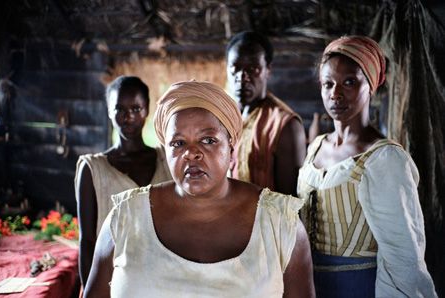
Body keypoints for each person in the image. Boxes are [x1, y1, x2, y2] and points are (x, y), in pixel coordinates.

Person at [84, 81, 315, 297]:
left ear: (231, 147)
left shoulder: (280, 224)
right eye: (178, 143)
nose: (191, 153)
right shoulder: (124, 217)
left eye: (208, 140)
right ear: (166, 151)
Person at [297, 36, 437, 297]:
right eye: (328, 84)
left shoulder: (384, 159)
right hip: (310, 286)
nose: (335, 93)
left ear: (370, 85)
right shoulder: (315, 146)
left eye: (349, 82)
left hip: (360, 287)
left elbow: (403, 254)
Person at [74, 76, 171, 289]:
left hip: (163, 279)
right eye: (119, 109)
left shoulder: (167, 162)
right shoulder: (93, 169)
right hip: (113, 282)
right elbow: (87, 240)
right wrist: (90, 291)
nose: (128, 117)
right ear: (109, 111)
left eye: (136, 109)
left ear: (147, 110)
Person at [226, 31, 306, 196]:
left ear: (267, 70)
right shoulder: (222, 118)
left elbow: (288, 202)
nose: (242, 77)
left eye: (253, 69)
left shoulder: (285, 125)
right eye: (235, 68)